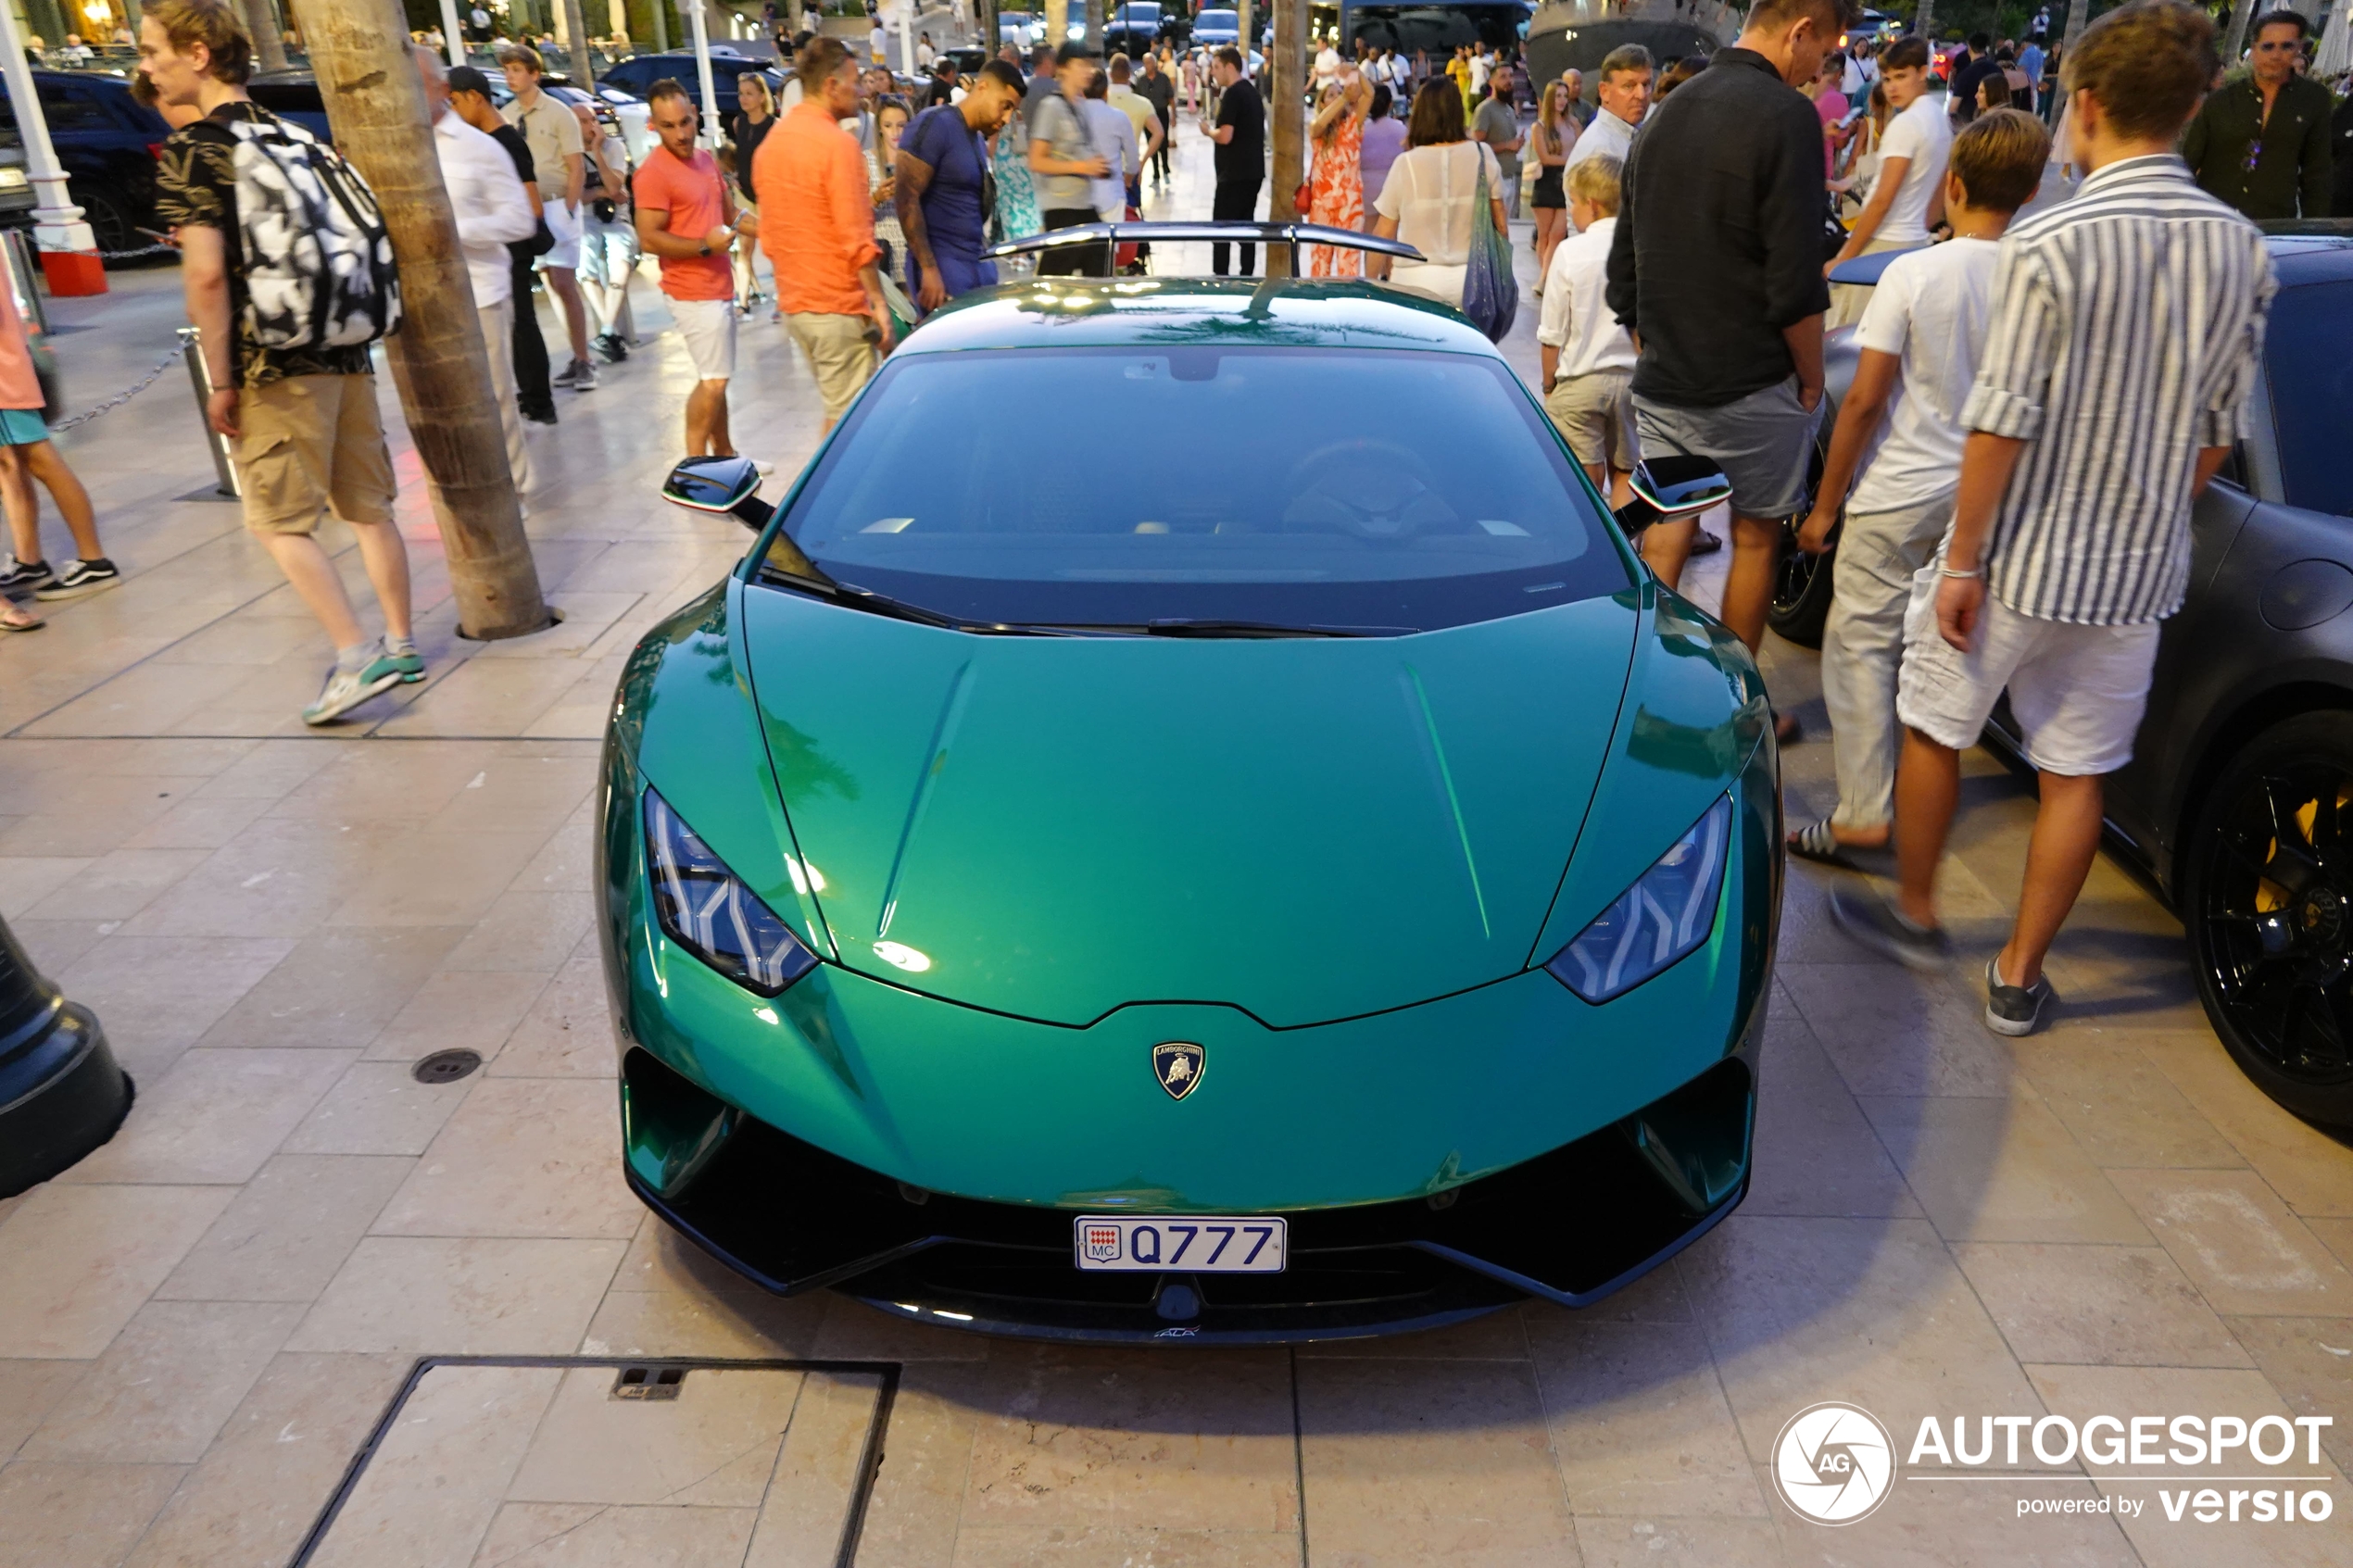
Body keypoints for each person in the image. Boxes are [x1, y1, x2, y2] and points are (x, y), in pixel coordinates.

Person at [1833, 3, 2274, 1038]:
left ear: (2082, 105)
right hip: (2136, 569)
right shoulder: (2240, 250)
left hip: (2015, 560)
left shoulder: (2052, 241)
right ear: (2192, 102)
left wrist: (1961, 559)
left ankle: (1917, 907)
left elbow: (2000, 421)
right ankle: (2019, 975)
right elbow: (2214, 433)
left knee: (1933, 723)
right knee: (2075, 771)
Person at [144, 0, 417, 724]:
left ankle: (356, 657)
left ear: (197, 53)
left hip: (273, 364)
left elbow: (205, 277)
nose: (143, 67)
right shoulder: (296, 136)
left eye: (150, 51)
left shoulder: (197, 150)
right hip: (346, 350)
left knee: (277, 522)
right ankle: (401, 640)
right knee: (368, 505)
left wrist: (221, 380)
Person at [1791, 109, 2049, 867]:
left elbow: (1865, 401)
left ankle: (1864, 809)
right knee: (1940, 649)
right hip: (1989, 499)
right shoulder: (2040, 279)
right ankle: (1918, 793)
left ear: (1954, 184)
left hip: (1903, 485)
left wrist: (1826, 504)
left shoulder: (1916, 271)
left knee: (1858, 641)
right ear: (2031, 193)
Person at [1604, 0, 1849, 719]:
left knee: (1670, 526)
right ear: (1800, 30)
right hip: (1753, 375)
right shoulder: (1787, 117)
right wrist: (1809, 379)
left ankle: (1644, 691)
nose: (1820, 68)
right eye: (1824, 50)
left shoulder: (1665, 113)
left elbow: (1626, 266)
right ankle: (1730, 705)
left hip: (1666, 373)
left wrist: (1655, 345)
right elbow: (1795, 280)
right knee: (1753, 535)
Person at [756, 37, 895, 435]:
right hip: (836, 305)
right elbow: (855, 237)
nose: (863, 88)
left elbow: (770, 234)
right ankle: (828, 499)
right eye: (855, 80)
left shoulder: (772, 145)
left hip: (797, 306)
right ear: (831, 85)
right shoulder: (838, 146)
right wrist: (879, 305)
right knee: (847, 428)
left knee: (839, 412)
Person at [419, 48, 536, 494]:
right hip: (422, 298)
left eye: (418, 82)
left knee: (494, 397)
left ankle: (515, 488)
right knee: (440, 403)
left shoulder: (480, 148)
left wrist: (455, 229)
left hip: (480, 292)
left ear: (442, 90)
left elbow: (521, 219)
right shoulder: (400, 147)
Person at [635, 80, 754, 458]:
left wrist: (780, 229)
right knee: (714, 379)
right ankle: (694, 461)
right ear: (654, 125)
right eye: (668, 126)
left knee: (715, 375)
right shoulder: (653, 172)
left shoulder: (705, 160)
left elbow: (731, 216)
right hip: (691, 289)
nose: (681, 133)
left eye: (685, 122)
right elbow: (648, 238)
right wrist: (704, 246)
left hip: (718, 284)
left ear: (695, 115)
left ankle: (725, 454)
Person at [447, 66, 556, 431]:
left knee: (521, 323)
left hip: (514, 248)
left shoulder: (505, 142)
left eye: (455, 101)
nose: (452, 110)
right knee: (516, 325)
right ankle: (531, 398)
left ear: (475, 97)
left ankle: (538, 401)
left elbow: (532, 206)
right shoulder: (487, 140)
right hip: (504, 247)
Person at [0, 275, 112, 623]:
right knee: (15, 466)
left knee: (40, 460)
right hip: (8, 369)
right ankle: (31, 562)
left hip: (4, 378)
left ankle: (93, 560)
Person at [1824, 35, 1946, 329]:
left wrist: (1844, 257)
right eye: (1887, 78)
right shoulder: (1938, 119)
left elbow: (1881, 200)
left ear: (1922, 72)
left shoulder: (1906, 124)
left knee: (1849, 337)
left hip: (1882, 243)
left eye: (1901, 77)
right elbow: (1938, 192)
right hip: (1914, 242)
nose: (1891, 87)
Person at [1538, 156, 1638, 508]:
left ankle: (1595, 545)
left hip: (1582, 380)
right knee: (1626, 470)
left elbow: (1552, 333)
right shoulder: (1641, 247)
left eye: (1574, 202)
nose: (1572, 210)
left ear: (1591, 205)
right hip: (1634, 381)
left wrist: (1549, 385)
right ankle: (1627, 545)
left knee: (1585, 472)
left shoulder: (1569, 252)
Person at [499, 44, 596, 392]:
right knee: (548, 284)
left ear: (533, 74)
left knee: (565, 284)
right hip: (526, 208)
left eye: (517, 70)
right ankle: (573, 357)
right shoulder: (506, 114)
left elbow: (575, 166)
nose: (511, 76)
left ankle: (585, 359)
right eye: (507, 70)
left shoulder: (559, 113)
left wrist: (569, 208)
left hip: (556, 205)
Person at [2183, 10, 2333, 221]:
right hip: (2213, 214)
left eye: (2287, 46)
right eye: (2268, 46)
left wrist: (2314, 229)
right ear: (2254, 50)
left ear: (2299, 49)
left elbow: (2317, 171)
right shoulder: (2222, 100)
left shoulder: (2314, 99)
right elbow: (2188, 160)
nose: (2276, 55)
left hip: (2274, 221)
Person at [1368, 80, 1506, 308]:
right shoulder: (1483, 155)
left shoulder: (1406, 164)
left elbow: (1384, 233)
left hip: (1414, 278)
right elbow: (1501, 224)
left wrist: (1370, 285)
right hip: (1471, 277)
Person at [899, 59, 1023, 311]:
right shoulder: (935, 124)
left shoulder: (976, 138)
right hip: (944, 271)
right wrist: (929, 269)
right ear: (983, 88)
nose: (1007, 118)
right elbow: (905, 197)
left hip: (974, 267)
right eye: (1005, 106)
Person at [1029, 44, 1114, 276]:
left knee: (1100, 275)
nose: (1088, 71)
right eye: (1081, 64)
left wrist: (1096, 167)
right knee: (1054, 289)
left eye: (1090, 65)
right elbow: (1036, 161)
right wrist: (1082, 167)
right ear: (1063, 69)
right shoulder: (1051, 107)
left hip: (1085, 206)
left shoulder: (1081, 107)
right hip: (1062, 210)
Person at [573, 97, 640, 354]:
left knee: (621, 263)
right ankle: (609, 331)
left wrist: (598, 152)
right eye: (583, 121)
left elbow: (616, 188)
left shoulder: (613, 147)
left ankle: (606, 332)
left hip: (616, 219)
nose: (591, 125)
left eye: (593, 119)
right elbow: (577, 196)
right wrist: (603, 192)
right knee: (585, 268)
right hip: (587, 219)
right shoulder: (569, 152)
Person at [1207, 46, 1264, 277]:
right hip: (1252, 172)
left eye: (1216, 67)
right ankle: (1246, 276)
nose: (1213, 72)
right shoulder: (1251, 92)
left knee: (1221, 231)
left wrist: (1208, 131)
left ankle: (1220, 279)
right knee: (1246, 228)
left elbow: (1225, 135)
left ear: (1230, 67)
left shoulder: (1232, 94)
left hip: (1233, 174)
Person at [1305, 67, 1368, 274]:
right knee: (1319, 266)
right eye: (1329, 95)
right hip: (1321, 204)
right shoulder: (1317, 129)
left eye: (1337, 92)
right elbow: (1318, 126)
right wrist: (1343, 97)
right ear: (1322, 104)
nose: (1336, 96)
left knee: (1349, 266)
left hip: (1349, 205)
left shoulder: (1353, 124)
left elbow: (1369, 94)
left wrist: (1356, 71)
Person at [729, 71, 779, 312]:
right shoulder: (740, 123)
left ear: (761, 97)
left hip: (768, 195)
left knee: (775, 249)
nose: (744, 98)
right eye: (741, 94)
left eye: (749, 93)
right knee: (744, 249)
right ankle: (743, 300)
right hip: (745, 194)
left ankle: (783, 300)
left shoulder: (773, 126)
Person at [1565, 44, 1648, 174]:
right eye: (1628, 86)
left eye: (1646, 85)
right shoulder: (1600, 150)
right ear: (1604, 91)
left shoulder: (1638, 134)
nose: (1641, 95)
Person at [1528, 76, 1574, 281]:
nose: (1562, 100)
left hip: (1567, 183)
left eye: (1565, 96)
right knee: (1544, 234)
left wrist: (1568, 160)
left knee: (1558, 233)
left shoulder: (1573, 124)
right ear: (1549, 98)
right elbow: (1545, 158)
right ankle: (1545, 276)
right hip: (1546, 183)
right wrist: (1570, 159)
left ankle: (1545, 278)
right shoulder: (1539, 127)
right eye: (1557, 96)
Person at [1080, 67, 1138, 228]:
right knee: (1111, 249)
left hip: (1080, 198)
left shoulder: (1073, 117)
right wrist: (1127, 181)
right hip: (1111, 195)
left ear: (1083, 92)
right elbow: (1133, 160)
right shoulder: (1119, 117)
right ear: (1106, 91)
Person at [1105, 54, 1164, 210]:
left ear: (1110, 75)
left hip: (1104, 170)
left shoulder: (1101, 102)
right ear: (1129, 75)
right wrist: (1142, 161)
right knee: (1130, 221)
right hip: (1131, 171)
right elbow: (1159, 133)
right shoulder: (1143, 104)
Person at [1468, 62, 1523, 216]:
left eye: (1511, 76)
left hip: (1509, 177)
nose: (1509, 81)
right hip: (1492, 182)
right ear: (1491, 81)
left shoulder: (1509, 110)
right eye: (1503, 77)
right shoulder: (1485, 109)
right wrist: (1507, 145)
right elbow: (1476, 147)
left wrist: (1516, 145)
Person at [868, 94, 913, 269]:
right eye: (888, 126)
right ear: (879, 128)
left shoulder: (919, 162)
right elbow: (854, 214)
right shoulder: (866, 161)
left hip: (914, 246)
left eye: (901, 126)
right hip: (883, 248)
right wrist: (876, 198)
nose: (895, 133)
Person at [1358, 82, 1405, 227]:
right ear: (1390, 104)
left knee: (1369, 238)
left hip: (1365, 187)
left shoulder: (1360, 130)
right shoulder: (1400, 129)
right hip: (1392, 185)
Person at [1137, 50, 1176, 184]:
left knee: (1163, 140)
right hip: (1147, 115)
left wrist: (1174, 115)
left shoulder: (1163, 78)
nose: (1148, 65)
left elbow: (1170, 97)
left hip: (1161, 112)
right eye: (1146, 63)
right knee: (1151, 143)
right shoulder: (1141, 80)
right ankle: (1155, 171)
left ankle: (1165, 166)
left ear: (1155, 63)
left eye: (1150, 62)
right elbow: (1136, 98)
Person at [1947, 31, 2001, 126]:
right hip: (1994, 123)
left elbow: (1953, 108)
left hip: (1969, 124)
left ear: (1969, 47)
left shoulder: (1965, 74)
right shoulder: (1997, 70)